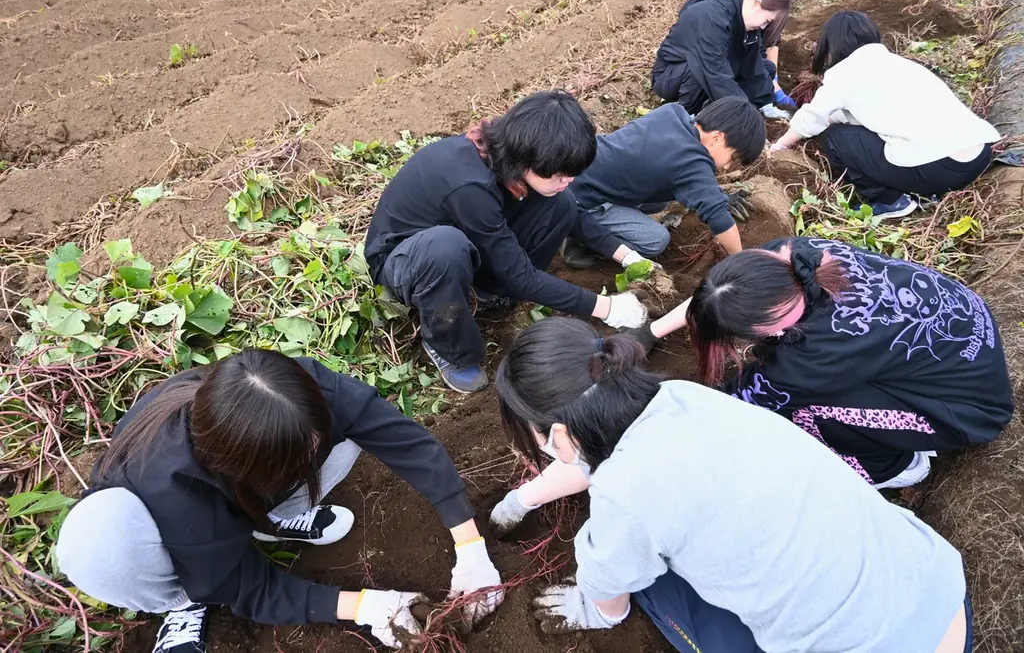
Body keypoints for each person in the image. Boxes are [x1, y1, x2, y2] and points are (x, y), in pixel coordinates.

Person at [491, 317, 971, 653]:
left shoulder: (626, 496)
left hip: (873, 647)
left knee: (647, 581)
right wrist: (521, 499)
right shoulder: (682, 397)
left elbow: (610, 589)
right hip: (937, 588)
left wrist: (594, 605)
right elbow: (593, 455)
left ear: (557, 435)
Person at [56, 350, 504, 653]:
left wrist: (470, 548)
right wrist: (364, 606)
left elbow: (404, 441)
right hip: (158, 530)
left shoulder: (291, 394)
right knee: (102, 547)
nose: (315, 455)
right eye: (296, 459)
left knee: (347, 439)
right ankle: (184, 600)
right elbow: (250, 587)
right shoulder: (173, 490)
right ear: (239, 463)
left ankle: (268, 521)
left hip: (247, 485)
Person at [626, 237, 1014, 489]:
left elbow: (744, 402)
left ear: (771, 330)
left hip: (968, 410)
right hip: (962, 333)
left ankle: (894, 467)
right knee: (818, 385)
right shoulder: (794, 256)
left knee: (804, 411)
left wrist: (654, 406)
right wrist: (649, 333)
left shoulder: (812, 357)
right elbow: (713, 297)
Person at [364, 90, 653, 394]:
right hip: (406, 260)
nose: (567, 180)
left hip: (468, 241)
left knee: (563, 203)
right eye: (559, 174)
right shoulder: (469, 186)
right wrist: (606, 307)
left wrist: (627, 255)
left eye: (571, 174)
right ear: (530, 159)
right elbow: (520, 275)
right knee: (446, 248)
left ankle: (492, 294)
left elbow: (574, 215)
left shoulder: (514, 154)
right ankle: (450, 349)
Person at [770, 11, 1001, 219]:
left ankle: (889, 200)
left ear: (831, 46)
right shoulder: (897, 64)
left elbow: (812, 118)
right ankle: (926, 191)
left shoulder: (844, 72)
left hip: (940, 170)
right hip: (977, 157)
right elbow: (854, 113)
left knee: (835, 139)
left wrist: (780, 145)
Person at [560, 97, 765, 268]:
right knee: (656, 240)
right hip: (582, 198)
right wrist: (739, 260)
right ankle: (583, 237)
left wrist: (718, 197)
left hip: (581, 167)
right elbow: (718, 217)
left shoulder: (672, 113)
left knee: (660, 202)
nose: (728, 167)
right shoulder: (692, 161)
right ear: (717, 138)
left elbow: (677, 168)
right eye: (733, 157)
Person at [651, 0, 792, 119]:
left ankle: (739, 105)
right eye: (767, 21)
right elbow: (715, 72)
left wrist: (765, 103)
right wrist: (745, 114)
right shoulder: (713, 16)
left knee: (766, 67)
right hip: (671, 75)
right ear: (756, 3)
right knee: (700, 70)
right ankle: (689, 116)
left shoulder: (746, 18)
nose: (763, 27)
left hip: (712, 64)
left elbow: (753, 63)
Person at [688, 0, 815, 107]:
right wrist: (771, 89)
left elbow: (768, 40)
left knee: (762, 67)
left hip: (713, 36)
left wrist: (772, 80)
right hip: (697, 44)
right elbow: (718, 69)